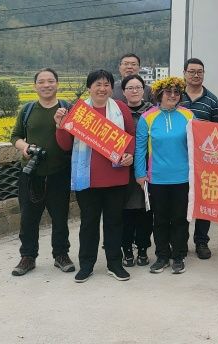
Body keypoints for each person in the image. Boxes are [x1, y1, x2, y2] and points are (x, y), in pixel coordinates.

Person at [55, 69, 135, 283]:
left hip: (116, 176)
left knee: (114, 223)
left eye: (106, 84)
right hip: (87, 178)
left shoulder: (120, 109)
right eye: (98, 84)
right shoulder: (78, 111)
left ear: (111, 88)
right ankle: (87, 265)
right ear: (89, 87)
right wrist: (60, 126)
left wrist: (130, 154)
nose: (102, 88)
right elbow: (65, 145)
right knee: (88, 224)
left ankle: (114, 264)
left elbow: (131, 136)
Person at [9, 68, 73, 276]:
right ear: (35, 86)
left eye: (51, 81)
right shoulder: (28, 110)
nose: (46, 85)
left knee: (60, 217)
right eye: (42, 82)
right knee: (28, 218)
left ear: (57, 84)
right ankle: (28, 257)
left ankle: (61, 255)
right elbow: (15, 136)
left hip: (60, 172)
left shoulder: (67, 108)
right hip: (31, 174)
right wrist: (25, 147)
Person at [136, 76, 194, 275]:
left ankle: (178, 256)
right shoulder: (147, 118)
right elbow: (140, 149)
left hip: (183, 178)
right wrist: (140, 173)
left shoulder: (188, 115)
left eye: (177, 92)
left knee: (180, 219)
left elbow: (197, 145)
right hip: (157, 178)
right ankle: (162, 256)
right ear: (159, 94)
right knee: (159, 219)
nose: (173, 95)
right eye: (168, 92)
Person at [180, 58, 218, 260]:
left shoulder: (213, 101)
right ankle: (180, 240)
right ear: (184, 73)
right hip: (179, 158)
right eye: (192, 71)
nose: (196, 75)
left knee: (204, 200)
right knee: (181, 201)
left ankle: (201, 241)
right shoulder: (175, 96)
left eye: (200, 72)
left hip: (205, 160)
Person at [120, 74, 154, 268]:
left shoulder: (152, 112)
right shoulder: (117, 112)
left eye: (138, 87)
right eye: (130, 88)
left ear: (144, 90)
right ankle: (126, 250)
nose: (134, 91)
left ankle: (142, 249)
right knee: (125, 213)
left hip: (147, 170)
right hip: (122, 170)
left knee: (145, 212)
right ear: (123, 92)